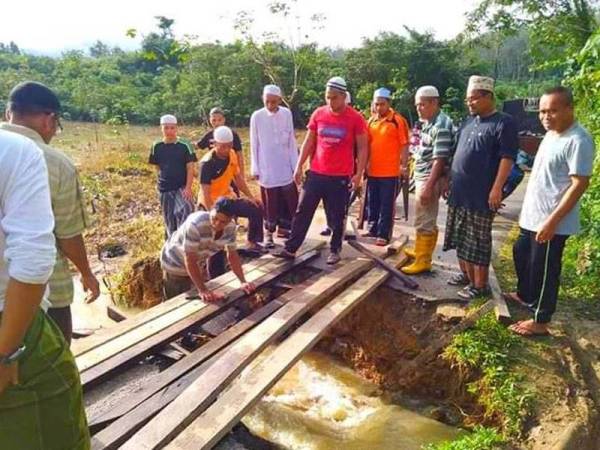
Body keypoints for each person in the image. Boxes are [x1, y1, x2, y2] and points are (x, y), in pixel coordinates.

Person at [0, 129, 90, 449]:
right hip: (17, 318)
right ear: (49, 120)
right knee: (52, 426)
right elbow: (46, 251)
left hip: (19, 307)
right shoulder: (19, 153)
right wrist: (6, 353)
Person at [1, 81, 100, 344]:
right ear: (49, 120)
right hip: (44, 294)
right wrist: (87, 274)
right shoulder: (54, 163)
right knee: (53, 376)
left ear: (8, 113)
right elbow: (68, 235)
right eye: (57, 125)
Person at [507, 87, 595, 336]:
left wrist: (552, 222)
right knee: (521, 251)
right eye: (543, 111)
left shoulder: (578, 140)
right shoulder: (550, 135)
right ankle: (525, 295)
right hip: (533, 216)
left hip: (553, 221)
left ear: (569, 108)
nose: (546, 116)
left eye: (553, 110)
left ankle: (540, 320)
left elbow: (580, 183)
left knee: (545, 269)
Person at [275, 77, 368, 265]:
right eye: (327, 97)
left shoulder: (355, 118)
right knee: (303, 210)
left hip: (340, 176)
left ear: (343, 96)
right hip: (317, 172)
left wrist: (359, 174)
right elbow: (309, 141)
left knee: (337, 214)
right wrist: (299, 165)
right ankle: (291, 248)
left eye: (334, 98)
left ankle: (335, 249)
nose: (330, 102)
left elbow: (363, 147)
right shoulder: (319, 114)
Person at [443, 75, 518, 300]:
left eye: (473, 99)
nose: (469, 103)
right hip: (459, 193)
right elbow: (456, 153)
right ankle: (466, 275)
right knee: (460, 237)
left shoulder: (503, 123)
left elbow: (507, 158)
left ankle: (480, 285)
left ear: (488, 97)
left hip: (482, 195)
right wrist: (448, 180)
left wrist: (497, 189)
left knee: (478, 241)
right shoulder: (468, 122)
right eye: (468, 100)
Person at [161, 197, 257, 302]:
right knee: (175, 305)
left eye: (223, 222)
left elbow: (232, 255)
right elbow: (190, 260)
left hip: (196, 263)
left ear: (231, 219)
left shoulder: (230, 228)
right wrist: (203, 290)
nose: (217, 224)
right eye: (215, 218)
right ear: (211, 210)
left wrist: (243, 281)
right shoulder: (195, 225)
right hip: (175, 263)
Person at [402, 85, 454, 274]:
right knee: (424, 217)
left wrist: (428, 186)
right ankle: (420, 251)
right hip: (423, 175)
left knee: (425, 219)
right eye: (417, 105)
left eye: (422, 105)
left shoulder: (441, 125)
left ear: (434, 102)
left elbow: (439, 159)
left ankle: (423, 260)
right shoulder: (428, 122)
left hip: (430, 178)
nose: (419, 108)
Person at [198, 126, 265, 254]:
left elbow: (238, 179)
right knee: (217, 236)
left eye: (229, 146)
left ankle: (253, 242)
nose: (226, 149)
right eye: (222, 146)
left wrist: (251, 197)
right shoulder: (206, 163)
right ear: (214, 144)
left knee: (256, 207)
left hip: (227, 199)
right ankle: (215, 261)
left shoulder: (232, 154)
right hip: (211, 204)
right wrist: (213, 215)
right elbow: (205, 193)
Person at [250, 85, 299, 247]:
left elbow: (291, 141)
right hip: (267, 167)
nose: (270, 105)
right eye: (267, 102)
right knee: (270, 202)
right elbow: (254, 143)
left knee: (290, 199)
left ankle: (288, 230)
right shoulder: (257, 116)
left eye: (273, 102)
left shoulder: (286, 114)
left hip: (285, 166)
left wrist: (295, 165)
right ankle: (269, 233)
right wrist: (255, 168)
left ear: (279, 99)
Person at [365, 87, 410, 246]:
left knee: (387, 204)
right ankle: (372, 228)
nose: (379, 108)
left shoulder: (397, 121)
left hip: (390, 172)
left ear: (389, 103)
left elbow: (405, 145)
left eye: (382, 104)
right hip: (373, 171)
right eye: (376, 104)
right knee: (372, 201)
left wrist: (404, 166)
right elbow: (366, 145)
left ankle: (383, 234)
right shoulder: (371, 121)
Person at [148, 114, 196, 237]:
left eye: (172, 128)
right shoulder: (156, 146)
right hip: (165, 188)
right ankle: (171, 246)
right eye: (166, 128)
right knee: (169, 218)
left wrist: (188, 187)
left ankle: (184, 241)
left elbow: (190, 167)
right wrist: (158, 182)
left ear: (176, 128)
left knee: (186, 209)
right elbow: (157, 166)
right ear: (161, 128)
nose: (169, 131)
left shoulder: (185, 145)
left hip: (182, 186)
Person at [197, 107, 245, 196]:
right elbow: (198, 146)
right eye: (214, 120)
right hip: (214, 173)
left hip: (230, 170)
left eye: (219, 120)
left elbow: (239, 155)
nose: (216, 123)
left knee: (233, 195)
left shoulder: (232, 134)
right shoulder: (209, 135)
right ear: (210, 120)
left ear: (224, 120)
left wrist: (241, 174)